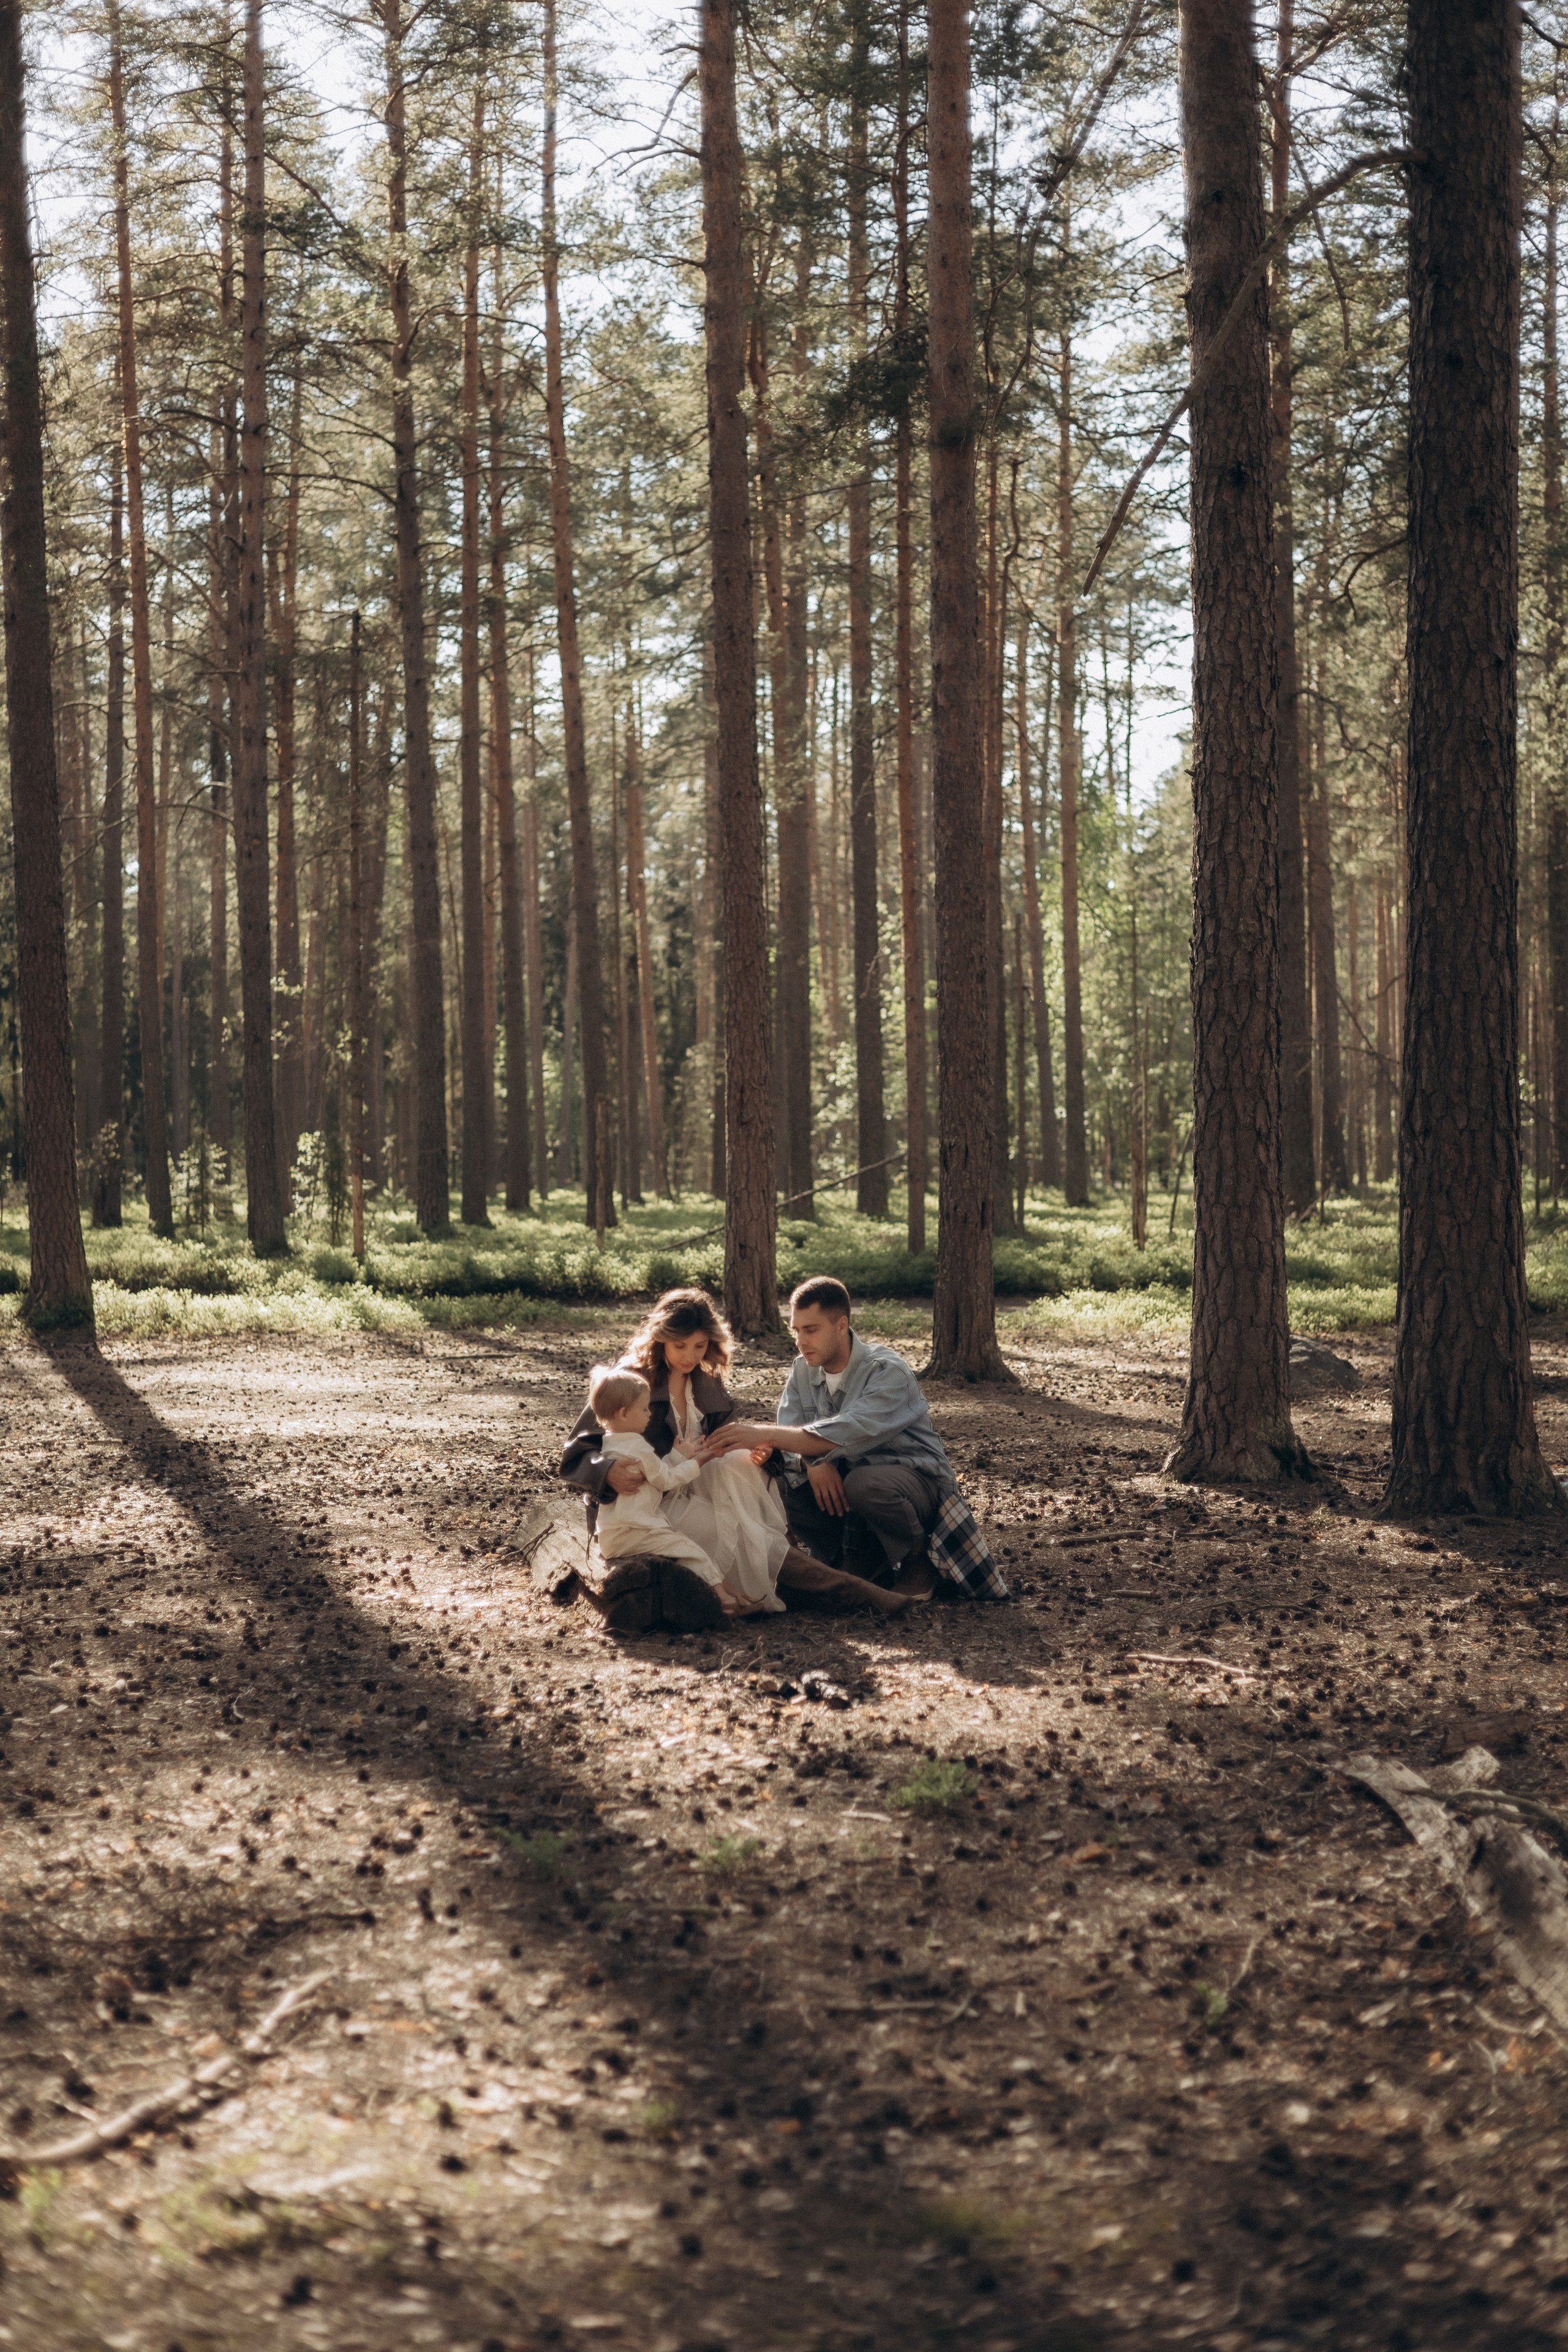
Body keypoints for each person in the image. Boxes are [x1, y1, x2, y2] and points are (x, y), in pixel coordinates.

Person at [560, 1287, 910, 1627]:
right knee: (747, 1536)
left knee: (740, 1475)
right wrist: (607, 1473)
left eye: (700, 1346)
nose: (689, 1356)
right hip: (642, 1511)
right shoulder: (629, 1382)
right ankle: (858, 1594)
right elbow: (576, 1451)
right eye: (680, 1346)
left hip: (696, 1489)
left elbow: (730, 1443)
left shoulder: (705, 1385)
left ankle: (847, 1592)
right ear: (660, 1339)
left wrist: (763, 1451)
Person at [699, 1276, 1008, 1603]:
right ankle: (853, 1558)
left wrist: (766, 1435)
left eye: (811, 1329)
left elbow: (849, 1432)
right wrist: (810, 1462)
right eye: (797, 1331)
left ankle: (919, 1561)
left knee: (866, 1483)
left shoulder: (887, 1371)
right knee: (774, 1480)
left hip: (912, 1484)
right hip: (845, 1486)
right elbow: (792, 1432)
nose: (801, 1341)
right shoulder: (803, 1370)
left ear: (841, 1325)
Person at [586, 1365, 753, 1618]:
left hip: (613, 1533)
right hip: (635, 1530)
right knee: (692, 1550)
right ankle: (726, 1602)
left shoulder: (610, 1446)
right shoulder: (638, 1447)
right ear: (623, 1414)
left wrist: (677, 1455)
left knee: (682, 1552)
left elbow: (654, 1474)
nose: (650, 1414)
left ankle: (729, 1593)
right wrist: (699, 1461)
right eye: (644, 1409)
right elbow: (666, 1480)